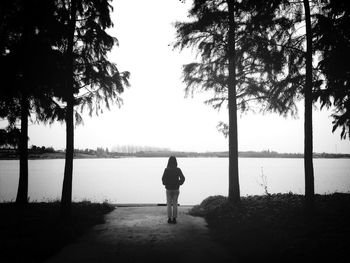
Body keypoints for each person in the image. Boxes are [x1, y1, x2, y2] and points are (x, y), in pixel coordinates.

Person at [162, 156, 185, 224]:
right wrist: (179, 183)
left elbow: (163, 179)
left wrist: (166, 184)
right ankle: (174, 219)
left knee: (169, 204)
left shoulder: (166, 169)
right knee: (175, 203)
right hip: (176, 189)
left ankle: (169, 219)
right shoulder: (178, 170)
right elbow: (183, 178)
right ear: (176, 162)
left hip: (168, 189)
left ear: (168, 162)